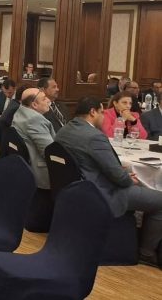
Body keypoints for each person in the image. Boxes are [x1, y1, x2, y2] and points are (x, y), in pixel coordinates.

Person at [57, 97, 162, 268]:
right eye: (101, 113)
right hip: (102, 192)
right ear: (92, 112)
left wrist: (122, 174)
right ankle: (147, 252)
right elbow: (118, 177)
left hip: (76, 188)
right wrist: (127, 178)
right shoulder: (94, 137)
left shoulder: (64, 130)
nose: (104, 117)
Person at [12, 87, 55, 189]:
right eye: (44, 99)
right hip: (41, 174)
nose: (48, 100)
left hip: (22, 168)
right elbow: (50, 152)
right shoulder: (35, 120)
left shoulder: (20, 112)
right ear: (34, 105)